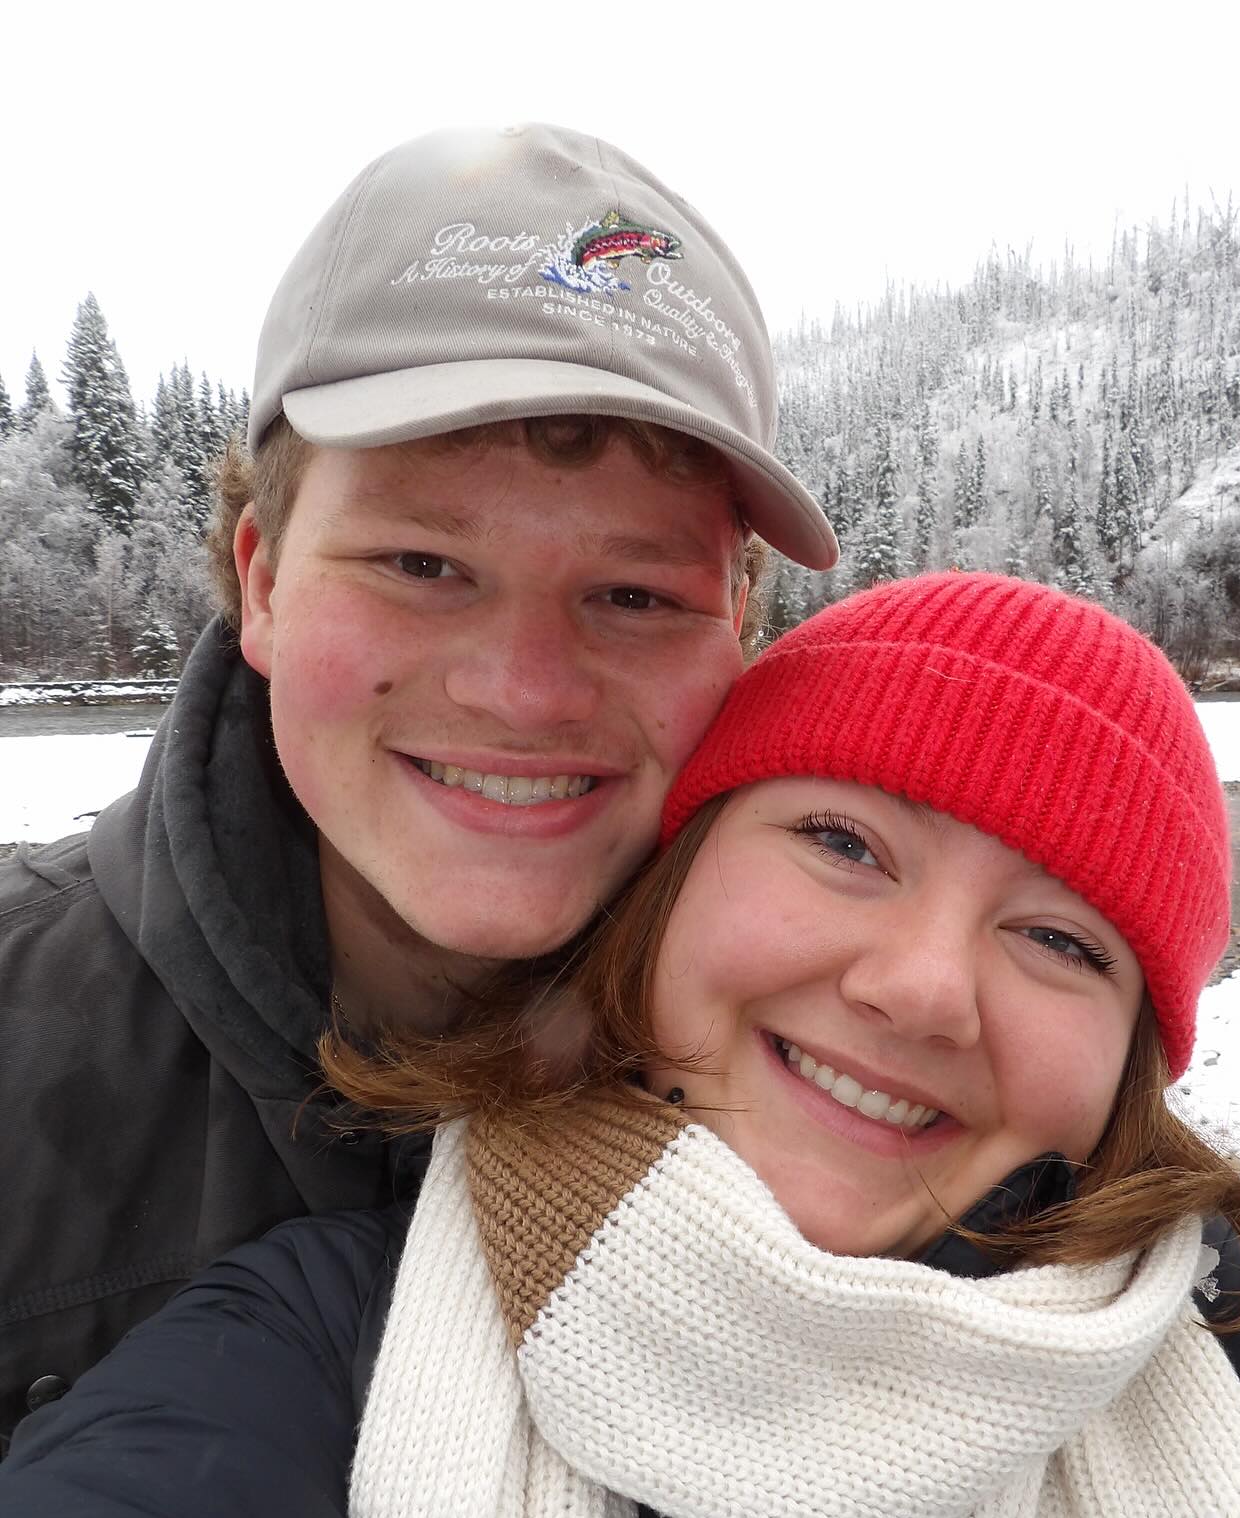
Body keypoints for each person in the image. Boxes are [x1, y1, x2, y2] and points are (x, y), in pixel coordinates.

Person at [1, 572, 1240, 1518]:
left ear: (1132, 1059)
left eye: (1062, 942)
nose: (922, 990)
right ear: (672, 885)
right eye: (843, 844)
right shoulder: (317, 1357)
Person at [0, 122, 835, 1447]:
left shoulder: (856, 1061)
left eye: (633, 594)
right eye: (422, 566)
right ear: (263, 581)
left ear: (738, 623)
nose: (526, 692)